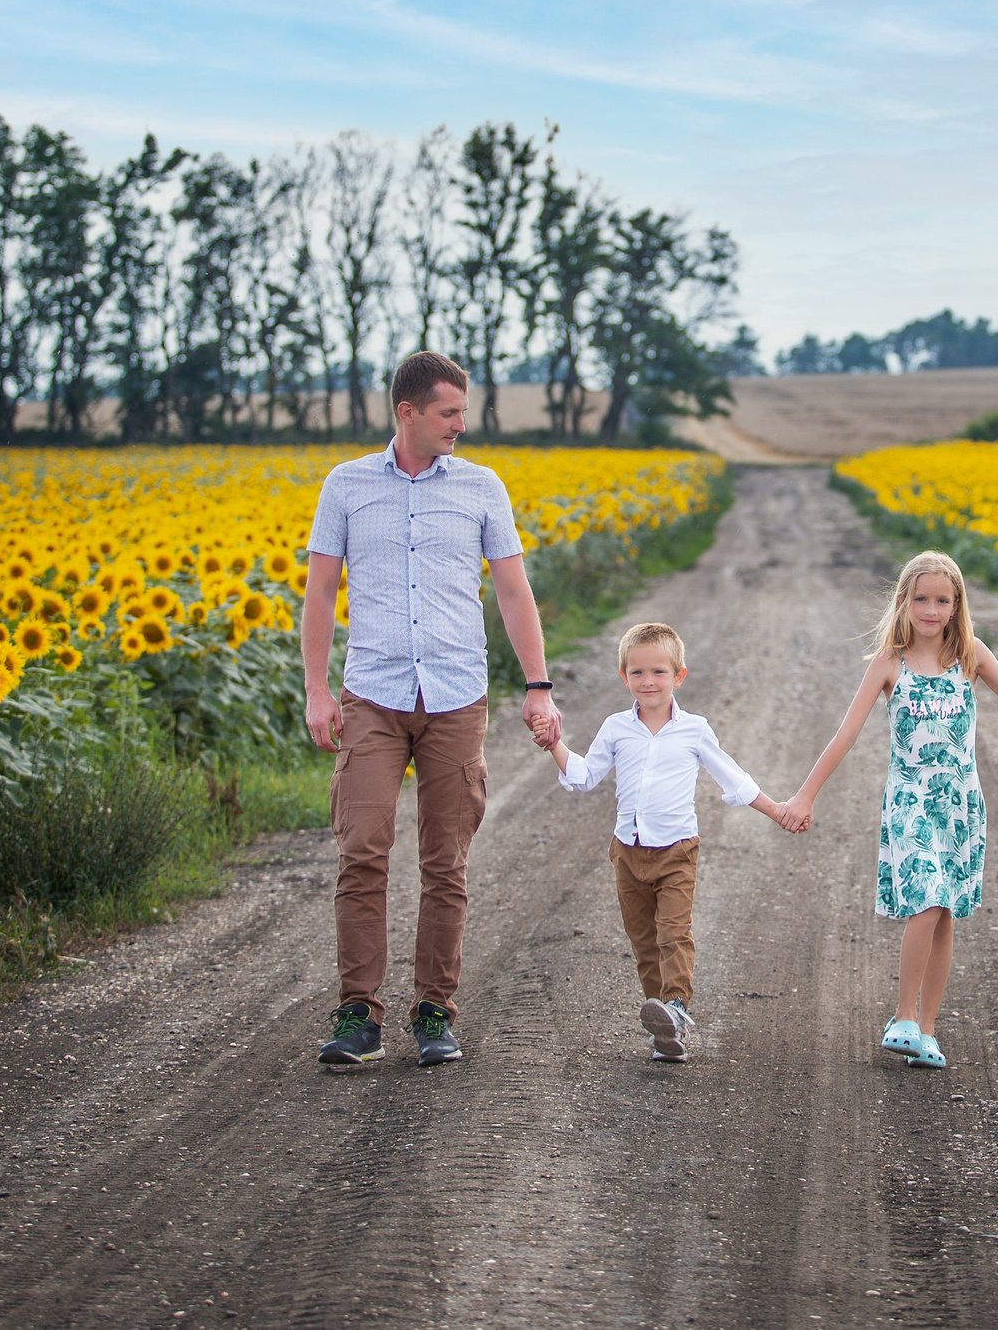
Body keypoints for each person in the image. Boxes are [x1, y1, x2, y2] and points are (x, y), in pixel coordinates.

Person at [301, 351, 563, 1068]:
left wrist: (537, 684)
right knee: (362, 852)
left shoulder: (482, 488)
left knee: (446, 861)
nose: (461, 423)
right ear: (407, 412)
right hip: (373, 695)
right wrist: (317, 688)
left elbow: (513, 591)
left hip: (455, 696)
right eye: (448, 411)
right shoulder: (346, 485)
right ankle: (358, 1012)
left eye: (463, 410)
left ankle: (434, 1011)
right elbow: (320, 592)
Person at [780, 550, 998, 1070]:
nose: (930, 609)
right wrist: (806, 793)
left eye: (941, 600)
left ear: (956, 605)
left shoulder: (970, 654)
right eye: (921, 598)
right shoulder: (888, 663)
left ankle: (927, 1032)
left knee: (945, 912)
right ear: (903, 602)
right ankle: (902, 1017)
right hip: (911, 799)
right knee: (927, 897)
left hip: (961, 802)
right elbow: (846, 733)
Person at [533, 620, 796, 1061]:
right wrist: (554, 744)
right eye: (637, 673)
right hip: (627, 853)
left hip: (677, 850)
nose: (648, 681)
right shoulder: (616, 728)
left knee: (674, 933)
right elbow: (583, 777)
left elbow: (732, 776)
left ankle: (676, 1007)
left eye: (658, 672)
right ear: (624, 677)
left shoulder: (694, 729)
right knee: (644, 942)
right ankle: (664, 1030)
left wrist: (778, 810)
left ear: (679, 676)